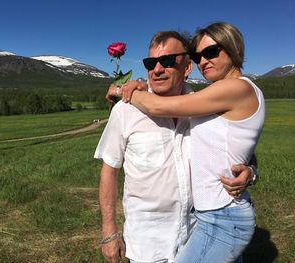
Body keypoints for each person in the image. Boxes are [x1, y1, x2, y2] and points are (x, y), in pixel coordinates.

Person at [95, 30, 255, 263]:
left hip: (201, 234)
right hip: (149, 245)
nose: (156, 69)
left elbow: (240, 150)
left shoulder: (207, 109)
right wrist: (109, 233)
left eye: (167, 61)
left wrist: (250, 172)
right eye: (150, 63)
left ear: (188, 67)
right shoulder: (125, 111)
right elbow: (109, 171)